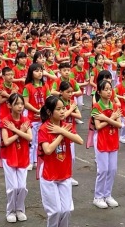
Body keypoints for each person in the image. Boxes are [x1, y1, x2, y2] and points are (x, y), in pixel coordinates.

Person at [37, 95, 83, 227]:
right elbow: (48, 150)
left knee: (67, 210)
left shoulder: (66, 125)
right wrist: (61, 133)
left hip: (64, 173)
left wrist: (61, 130)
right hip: (49, 175)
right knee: (55, 211)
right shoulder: (44, 129)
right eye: (59, 109)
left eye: (63, 108)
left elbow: (80, 140)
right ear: (49, 112)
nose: (63, 111)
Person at [0, 93, 32, 223]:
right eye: (16, 104)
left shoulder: (26, 120)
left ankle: (20, 209)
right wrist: (21, 133)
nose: (20, 106)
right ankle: (11, 211)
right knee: (13, 187)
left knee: (22, 186)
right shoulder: (5, 121)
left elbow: (30, 137)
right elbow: (6, 142)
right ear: (9, 105)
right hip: (9, 156)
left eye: (21, 104)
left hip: (23, 155)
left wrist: (16, 130)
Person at [90, 80, 121, 209]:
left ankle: (107, 195)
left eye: (110, 89)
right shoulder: (97, 106)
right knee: (103, 170)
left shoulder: (114, 106)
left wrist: (108, 119)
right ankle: (98, 197)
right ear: (99, 92)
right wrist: (111, 119)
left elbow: (119, 124)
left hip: (113, 138)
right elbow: (98, 126)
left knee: (112, 169)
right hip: (102, 138)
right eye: (106, 89)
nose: (109, 92)